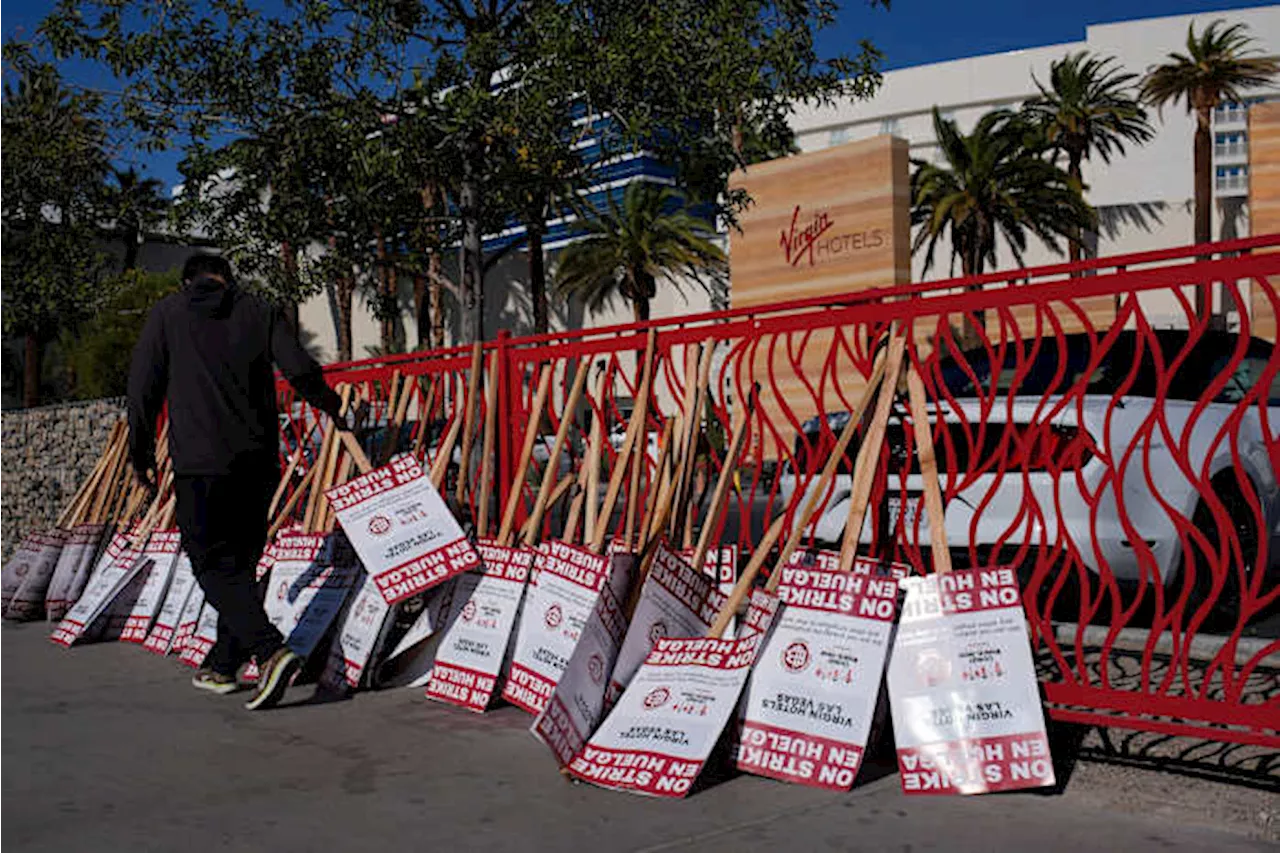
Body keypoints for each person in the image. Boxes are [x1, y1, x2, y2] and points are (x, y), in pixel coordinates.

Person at [128, 253, 351, 710]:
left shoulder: (169, 314)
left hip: (200, 463)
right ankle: (223, 666)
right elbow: (300, 368)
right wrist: (332, 406)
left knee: (210, 561)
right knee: (240, 566)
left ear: (187, 281)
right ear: (227, 280)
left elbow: (142, 387)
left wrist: (140, 452)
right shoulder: (259, 310)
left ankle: (270, 652)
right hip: (258, 463)